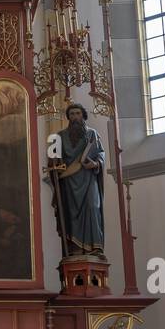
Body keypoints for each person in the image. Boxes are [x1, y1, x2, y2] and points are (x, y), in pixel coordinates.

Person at [46, 103, 106, 257]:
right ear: (68, 117)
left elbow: (100, 154)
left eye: (77, 113)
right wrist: (55, 164)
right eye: (71, 114)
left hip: (88, 179)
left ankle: (95, 247)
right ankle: (75, 249)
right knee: (70, 213)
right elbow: (53, 161)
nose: (74, 117)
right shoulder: (59, 137)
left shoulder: (92, 134)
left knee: (93, 207)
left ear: (83, 115)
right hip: (69, 183)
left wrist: (95, 163)